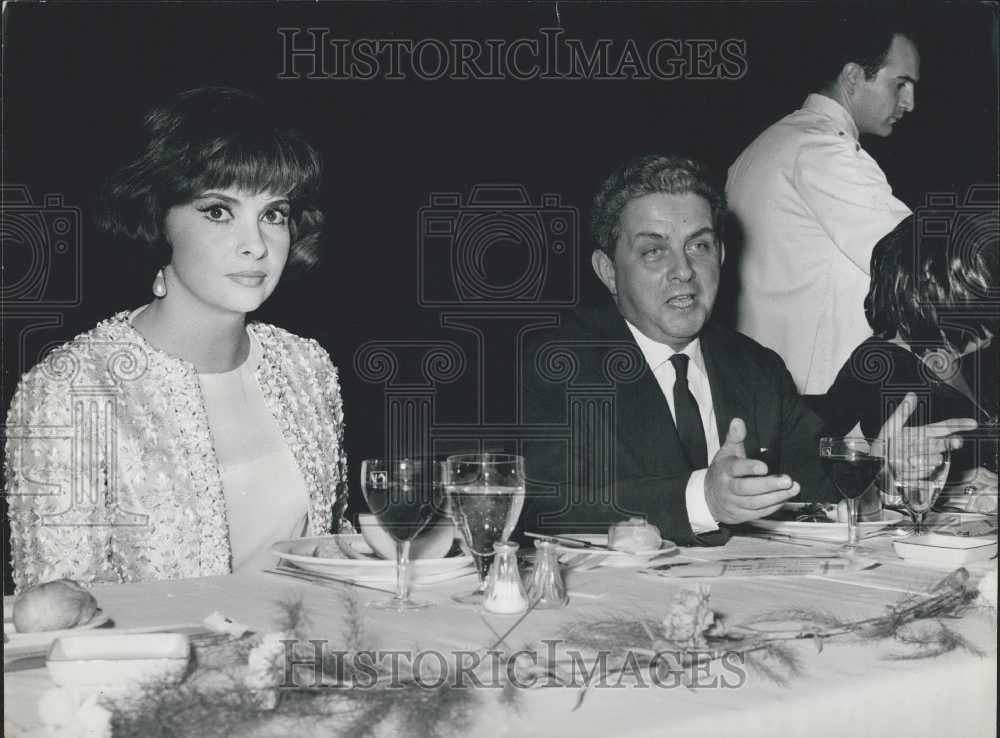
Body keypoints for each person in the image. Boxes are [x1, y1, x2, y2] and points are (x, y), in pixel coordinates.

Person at [520, 155, 972, 545]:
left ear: (719, 257)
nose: (684, 270)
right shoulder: (561, 362)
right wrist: (704, 498)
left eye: (699, 245)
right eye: (654, 251)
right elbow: (543, 499)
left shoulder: (756, 367)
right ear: (608, 271)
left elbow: (817, 483)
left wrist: (881, 467)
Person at [4, 88, 348, 592]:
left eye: (273, 214)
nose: (255, 245)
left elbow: (331, 559)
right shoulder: (71, 390)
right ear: (158, 219)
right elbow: (57, 616)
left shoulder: (305, 367)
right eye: (217, 211)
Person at [726, 17, 918, 394]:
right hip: (819, 405)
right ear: (852, 77)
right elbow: (924, 264)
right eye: (901, 84)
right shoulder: (825, 151)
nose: (910, 103)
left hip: (758, 389)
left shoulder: (758, 149)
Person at [812, 215, 998, 487]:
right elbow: (823, 466)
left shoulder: (975, 359)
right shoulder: (877, 364)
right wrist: (955, 484)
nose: (991, 331)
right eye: (977, 311)